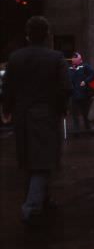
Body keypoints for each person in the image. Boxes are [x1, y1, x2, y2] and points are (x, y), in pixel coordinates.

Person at [1, 16, 72, 225]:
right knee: (43, 161)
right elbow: (65, 87)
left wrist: (7, 109)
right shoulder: (56, 58)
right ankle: (31, 207)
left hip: (22, 115)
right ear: (47, 35)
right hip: (46, 114)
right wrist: (61, 109)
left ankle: (42, 198)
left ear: (27, 35)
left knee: (30, 160)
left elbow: (8, 88)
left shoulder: (15, 58)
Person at [68, 52, 94, 133]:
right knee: (75, 114)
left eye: (75, 58)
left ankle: (88, 129)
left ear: (80, 60)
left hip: (84, 94)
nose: (73, 59)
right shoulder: (70, 68)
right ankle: (76, 130)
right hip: (74, 95)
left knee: (85, 113)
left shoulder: (84, 66)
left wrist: (85, 81)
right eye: (73, 58)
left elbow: (93, 74)